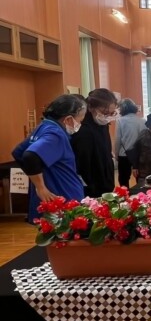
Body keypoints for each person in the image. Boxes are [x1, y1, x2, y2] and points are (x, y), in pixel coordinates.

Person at [12, 94, 87, 223]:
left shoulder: (44, 126)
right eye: (80, 120)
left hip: (57, 197)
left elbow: (18, 152)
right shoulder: (55, 134)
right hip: (61, 199)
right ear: (69, 119)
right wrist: (41, 187)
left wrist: (38, 178)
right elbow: (29, 156)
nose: (80, 124)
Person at [71, 88, 119, 197]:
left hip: (106, 183)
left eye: (111, 113)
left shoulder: (102, 124)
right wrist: (91, 187)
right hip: (92, 189)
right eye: (104, 113)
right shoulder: (83, 130)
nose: (107, 117)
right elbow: (82, 165)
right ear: (91, 108)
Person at [113, 98, 146, 188]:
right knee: (140, 178)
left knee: (123, 179)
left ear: (122, 109)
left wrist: (116, 154)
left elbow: (118, 139)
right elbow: (144, 139)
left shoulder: (120, 121)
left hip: (124, 154)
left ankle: (125, 195)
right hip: (139, 154)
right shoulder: (142, 121)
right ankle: (141, 194)